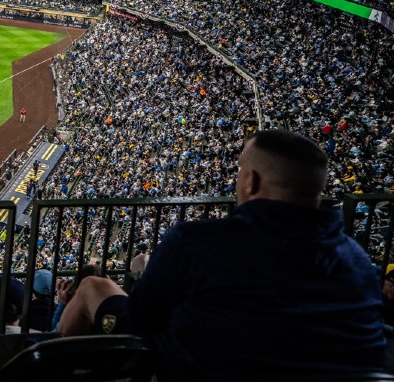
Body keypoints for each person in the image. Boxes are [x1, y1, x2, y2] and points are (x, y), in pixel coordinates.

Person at [128, 130, 384, 381]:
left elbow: (140, 317)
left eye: (240, 169)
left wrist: (142, 274)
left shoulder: (197, 241)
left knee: (97, 288)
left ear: (251, 181)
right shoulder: (358, 260)